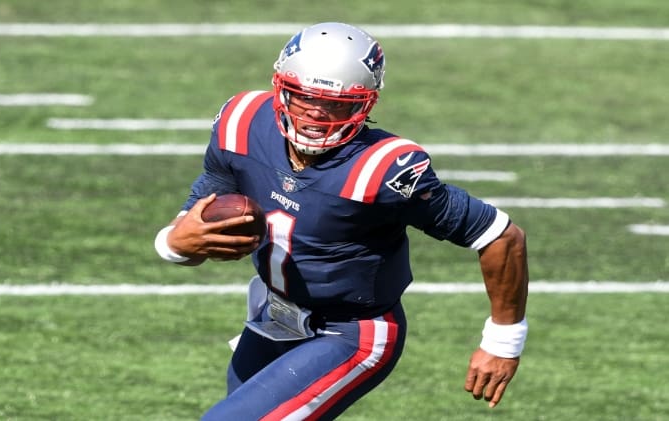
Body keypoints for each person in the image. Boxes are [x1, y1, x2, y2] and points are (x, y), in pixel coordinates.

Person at [155, 22, 529, 420]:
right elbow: (204, 206)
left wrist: (503, 342)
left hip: (352, 331)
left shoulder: (384, 169)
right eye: (304, 97)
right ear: (280, 86)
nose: (317, 113)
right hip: (275, 315)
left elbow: (499, 235)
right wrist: (173, 243)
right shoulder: (242, 123)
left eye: (337, 103)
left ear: (366, 104)